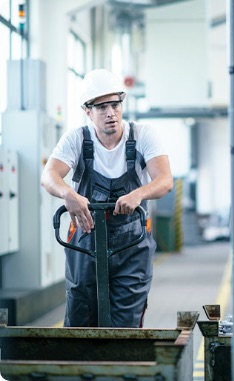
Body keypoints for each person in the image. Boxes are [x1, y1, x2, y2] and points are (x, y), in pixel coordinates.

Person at [41, 68, 173, 328]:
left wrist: (138, 194)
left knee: (126, 322)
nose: (110, 113)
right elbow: (49, 176)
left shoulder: (143, 135)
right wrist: (69, 194)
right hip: (85, 241)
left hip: (132, 245)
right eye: (101, 107)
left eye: (115, 104)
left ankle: (121, 368)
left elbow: (164, 181)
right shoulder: (77, 139)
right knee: (81, 315)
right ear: (87, 111)